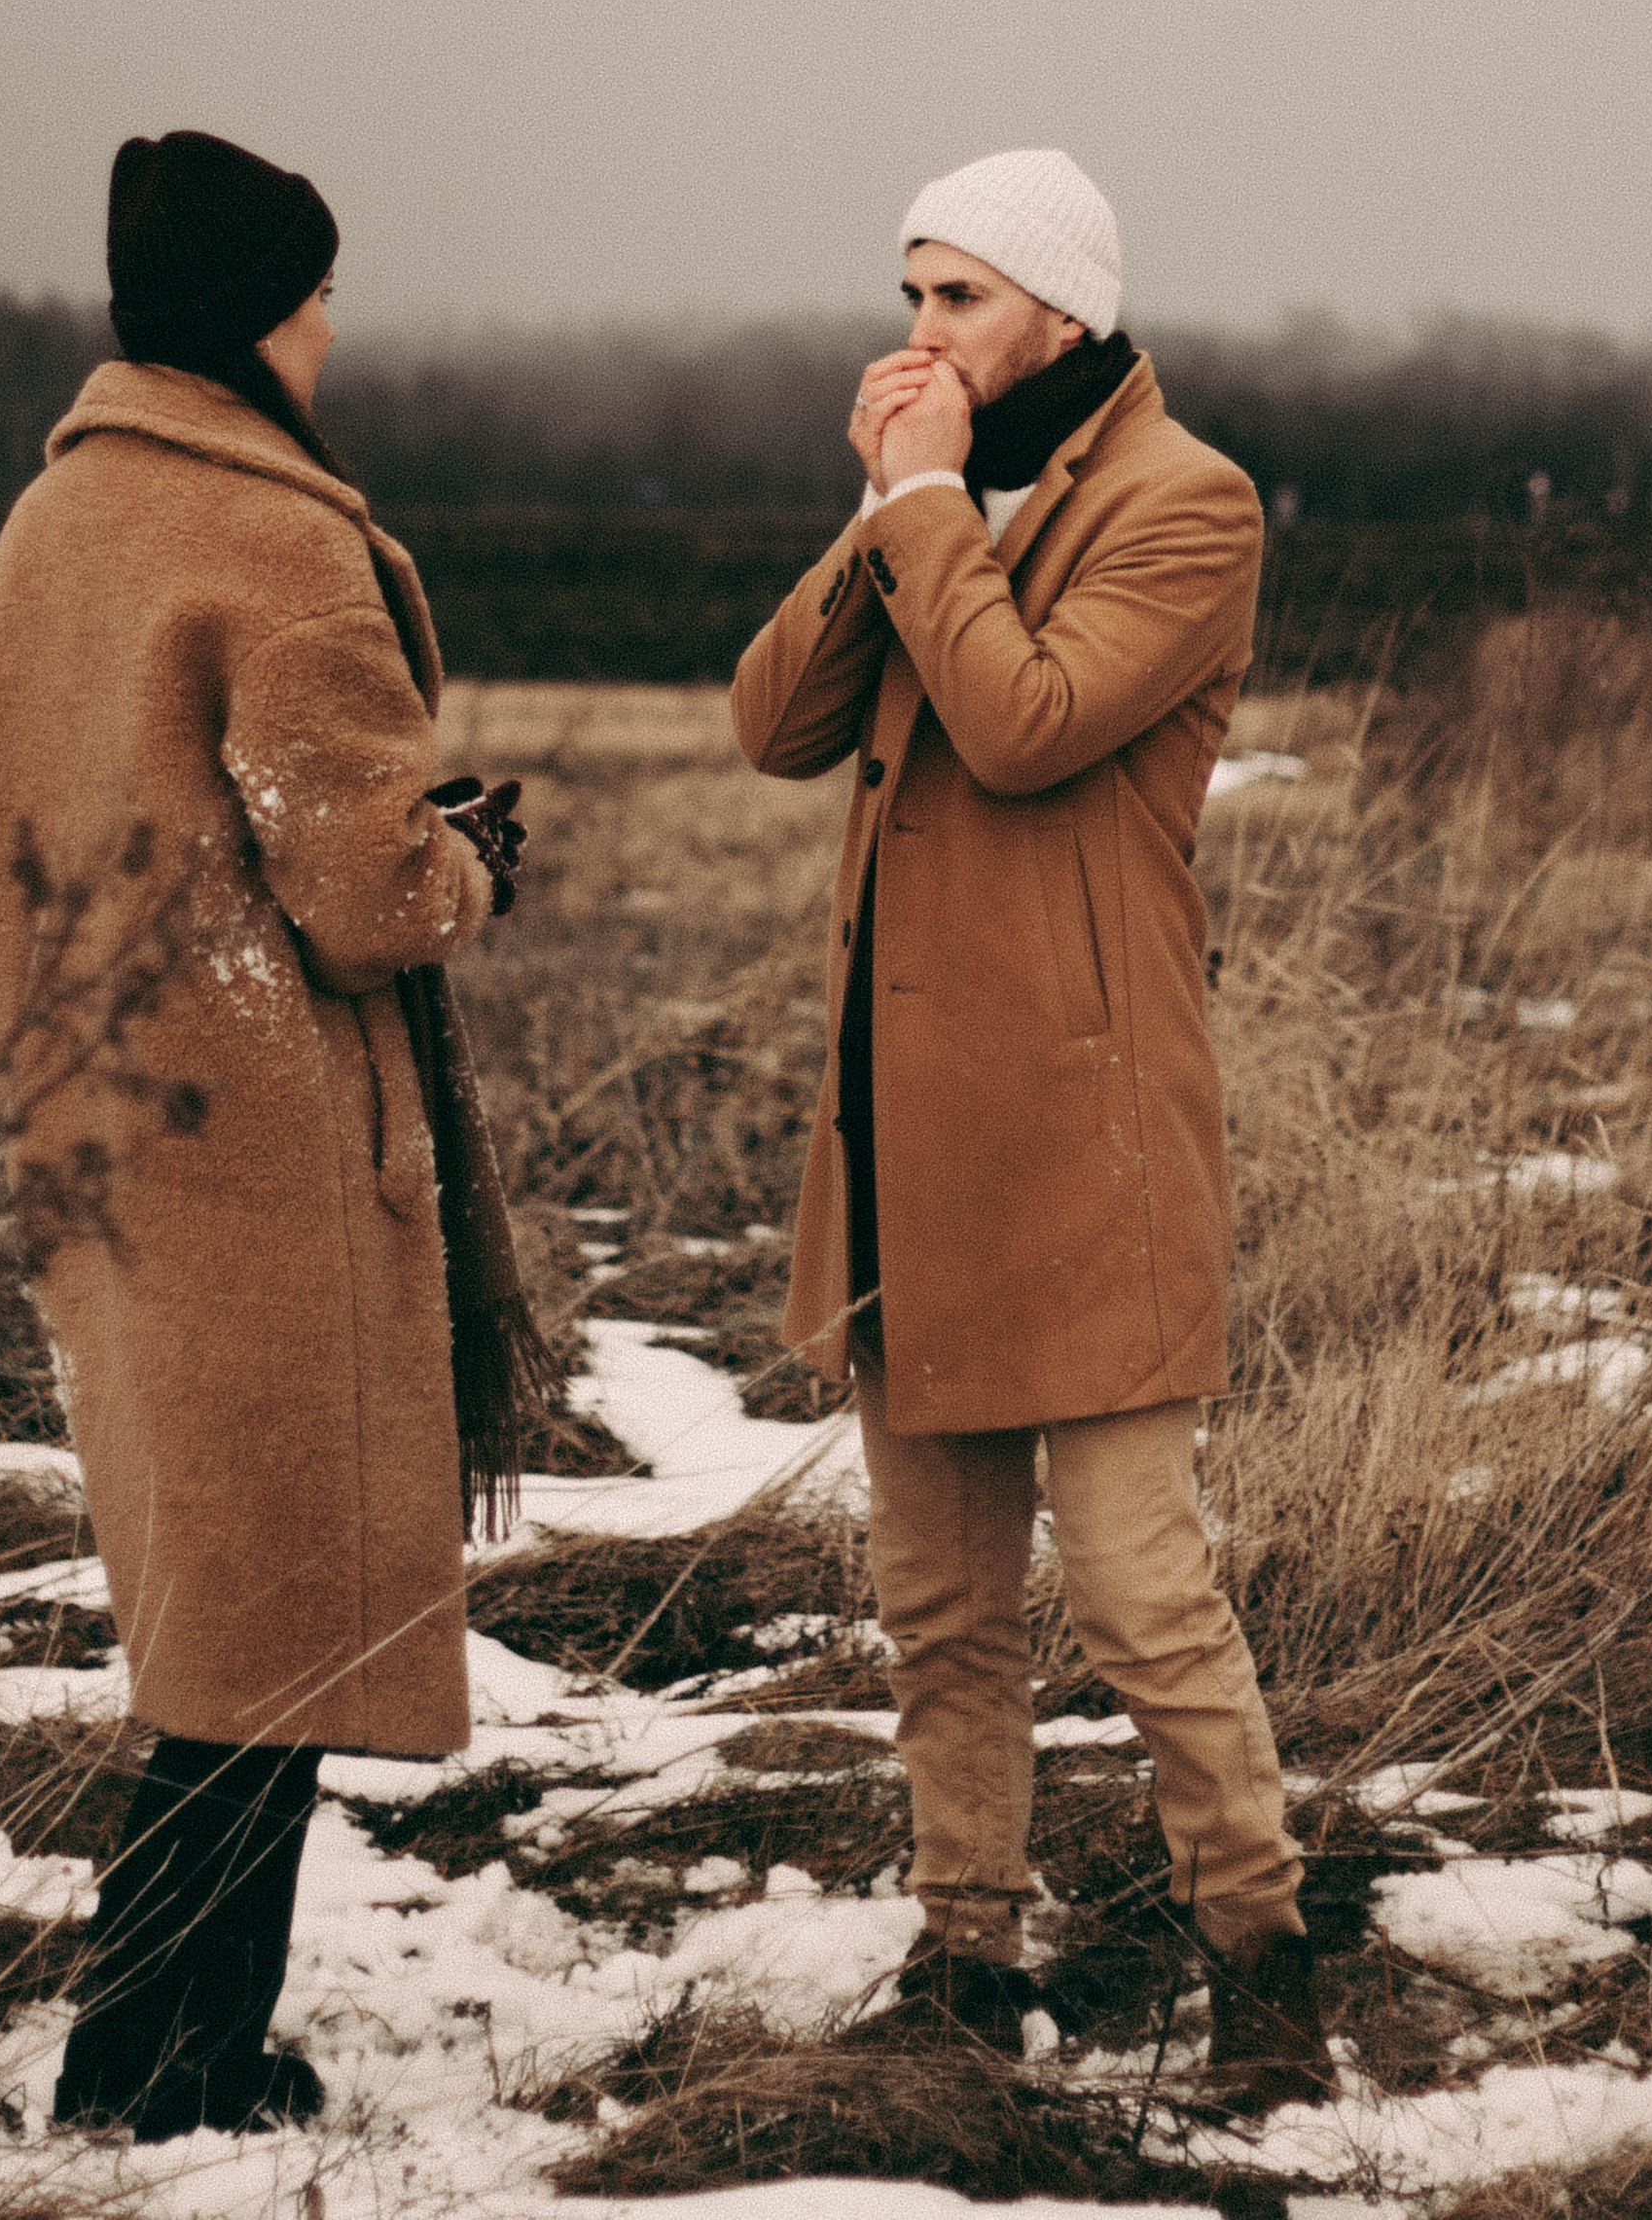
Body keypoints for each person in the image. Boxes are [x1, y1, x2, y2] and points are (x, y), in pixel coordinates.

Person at [731, 148, 1332, 2113]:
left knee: (1143, 1593)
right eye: (908, 297)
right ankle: (964, 1959)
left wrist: (925, 511)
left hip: (1084, 1134)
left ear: (1059, 311)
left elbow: (1021, 724)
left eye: (958, 299)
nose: (917, 334)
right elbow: (771, 724)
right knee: (939, 1608)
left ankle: (1261, 1963)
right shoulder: (940, 498)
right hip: (909, 1133)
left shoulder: (1186, 501)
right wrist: (885, 513)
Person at [0, 131, 540, 2140]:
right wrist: (476, 862)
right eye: (316, 295)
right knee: (264, 1645)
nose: (329, 332)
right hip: (266, 1158)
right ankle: (162, 2065)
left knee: (215, 1616)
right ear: (251, 314)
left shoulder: (44, 535)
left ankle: (165, 2043)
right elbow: (361, 895)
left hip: (103, 1139)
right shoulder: (272, 543)